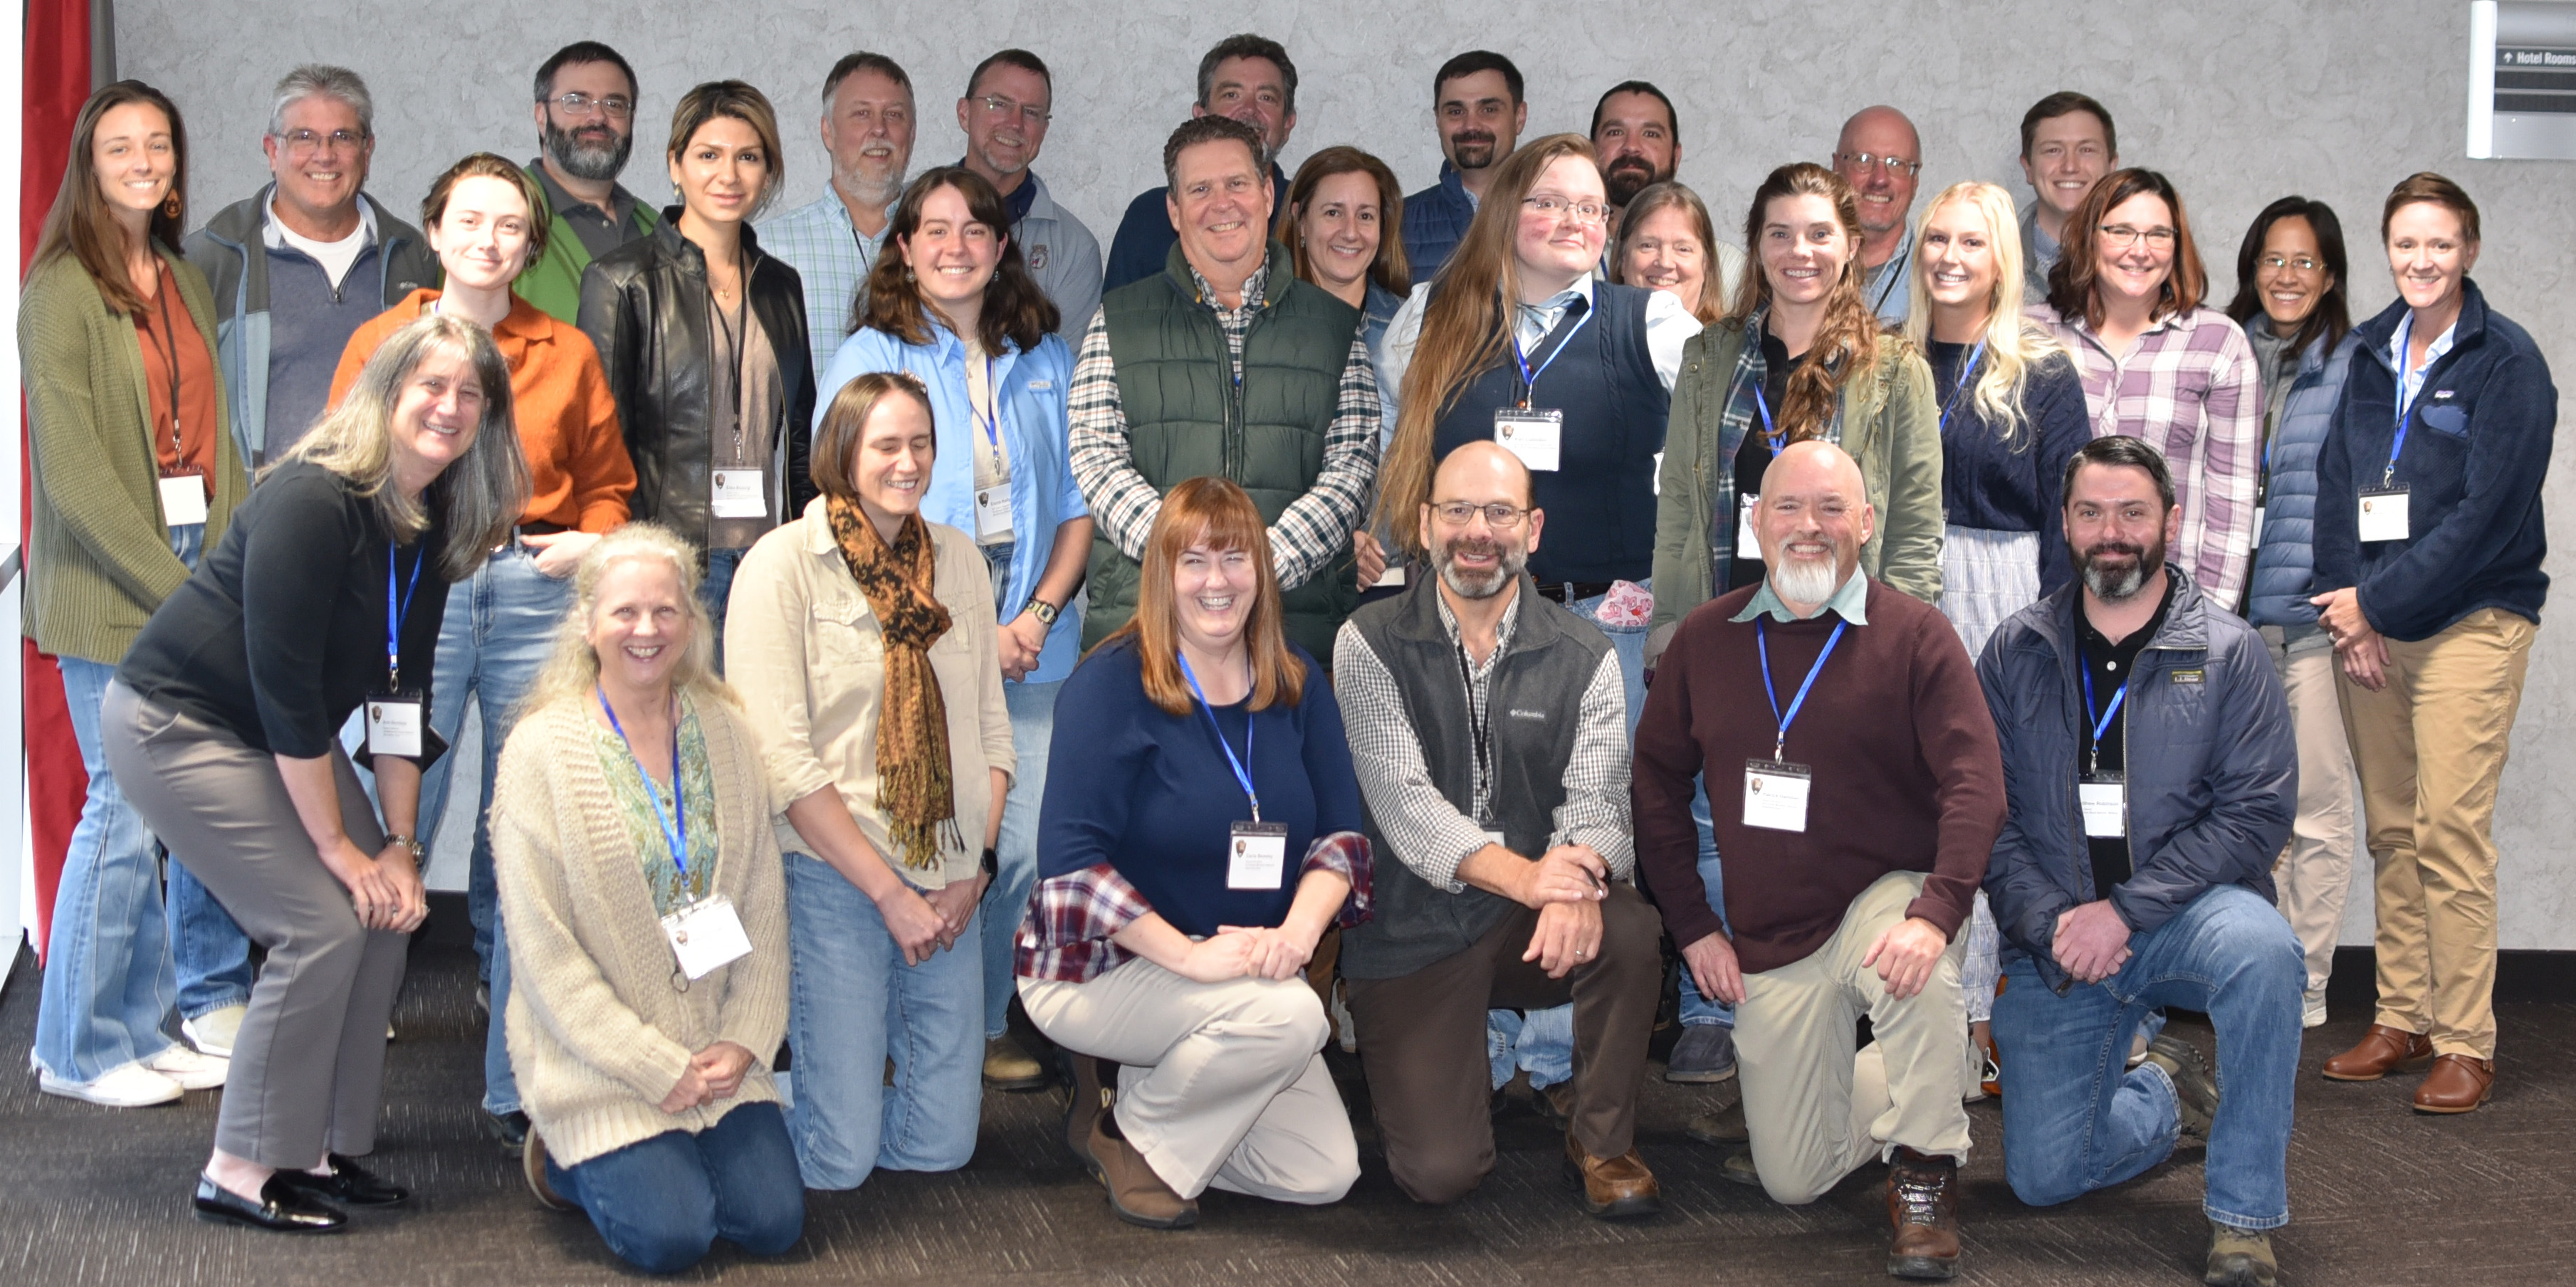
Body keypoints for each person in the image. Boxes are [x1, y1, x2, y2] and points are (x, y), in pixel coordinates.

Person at [104, 312, 529, 1232]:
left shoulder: (430, 516)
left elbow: (401, 692)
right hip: (182, 723)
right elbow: (289, 691)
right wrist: (340, 849)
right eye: (432, 385)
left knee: (387, 911)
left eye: (471, 394)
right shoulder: (314, 497)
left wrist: (401, 846)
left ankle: (316, 1148)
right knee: (320, 923)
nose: (451, 407)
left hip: (272, 731)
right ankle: (238, 1166)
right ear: (387, 391)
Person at [1633, 440, 2001, 1281]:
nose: (1810, 525)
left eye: (1832, 507)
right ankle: (1939, 1064)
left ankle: (1925, 1173)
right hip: (1775, 931)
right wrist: (1693, 925)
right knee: (1794, 1176)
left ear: (1866, 523)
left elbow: (1977, 783)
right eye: (1789, 507)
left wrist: (1936, 912)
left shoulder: (1918, 635)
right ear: (1755, 520)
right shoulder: (1705, 638)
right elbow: (1654, 782)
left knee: (1910, 967)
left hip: (1886, 895)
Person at [328, 152, 635, 1150]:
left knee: (525, 827)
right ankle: (342, 1064)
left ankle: (519, 1077)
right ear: (435, 230)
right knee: (391, 811)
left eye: (509, 225)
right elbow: (341, 466)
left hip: (533, 591)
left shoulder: (566, 350)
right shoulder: (383, 341)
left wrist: (589, 541)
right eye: (469, 220)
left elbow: (610, 482)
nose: (488, 240)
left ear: (530, 243)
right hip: (418, 586)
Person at [1978, 435, 2304, 1287]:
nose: (2111, 531)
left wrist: (2124, 911)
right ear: (2065, 524)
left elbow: (2256, 813)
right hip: (2060, 936)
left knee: (2265, 953)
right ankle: (2165, 1086)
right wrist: (2053, 920)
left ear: (2171, 520)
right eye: (2091, 512)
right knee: (2043, 1177)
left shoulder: (2230, 651)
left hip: (2186, 915)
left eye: (2132, 512)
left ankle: (2243, 1216)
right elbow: (1983, 814)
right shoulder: (2013, 651)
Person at [1017, 476, 1367, 1230]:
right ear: (1162, 574)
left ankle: (1144, 1101)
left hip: (1242, 974)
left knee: (1322, 1171)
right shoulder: (1109, 684)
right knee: (1294, 1019)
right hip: (1106, 967)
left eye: (1235, 559)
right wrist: (1189, 956)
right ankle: (1129, 1136)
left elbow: (1343, 838)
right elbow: (1069, 864)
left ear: (1261, 572)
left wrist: (1296, 935)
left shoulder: (1297, 680)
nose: (1217, 581)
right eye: (1195, 561)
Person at [1336, 442, 1662, 1217]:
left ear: (1533, 529)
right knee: (1440, 1174)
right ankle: (1434, 1073)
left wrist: (1576, 877)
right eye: (1457, 510)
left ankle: (1602, 1141)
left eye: (1499, 512)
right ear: (1425, 524)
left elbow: (1603, 803)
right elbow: (1407, 808)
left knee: (1627, 927)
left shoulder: (1585, 652)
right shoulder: (1367, 640)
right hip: (1410, 928)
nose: (1477, 531)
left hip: (1529, 923)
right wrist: (1534, 878)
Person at [818, 167, 1090, 1093]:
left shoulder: (1045, 355)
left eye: (974, 229)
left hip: (1034, 632)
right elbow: (846, 502)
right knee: (921, 827)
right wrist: (959, 633)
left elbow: (1077, 503)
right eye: (933, 230)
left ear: (1001, 245)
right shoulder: (869, 355)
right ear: (904, 248)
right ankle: (906, 1020)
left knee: (1022, 842)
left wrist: (1035, 615)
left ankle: (980, 1020)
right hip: (917, 634)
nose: (955, 248)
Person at [725, 372, 1014, 1188]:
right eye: (886, 445)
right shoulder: (781, 565)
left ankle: (823, 1094)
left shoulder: (959, 559)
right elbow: (781, 761)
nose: (907, 462)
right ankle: (698, 1121)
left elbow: (993, 734)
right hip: (835, 873)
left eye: (921, 443)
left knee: (939, 1143)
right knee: (838, 1159)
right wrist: (889, 893)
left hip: (949, 871)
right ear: (843, 452)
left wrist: (977, 869)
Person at [492, 524, 802, 1275]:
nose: (646, 630)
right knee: (674, 1237)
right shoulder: (539, 751)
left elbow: (764, 905)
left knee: (772, 1223)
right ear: (588, 624)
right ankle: (556, 1156)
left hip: (719, 1054)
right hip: (597, 1062)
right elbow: (544, 956)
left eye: (665, 611)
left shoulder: (728, 732)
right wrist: (653, 1064)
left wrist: (745, 1038)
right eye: (625, 612)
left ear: (690, 624)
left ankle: (677, 1152)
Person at [24, 81, 246, 1108]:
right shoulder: (61, 289)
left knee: (163, 810)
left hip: (195, 554)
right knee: (119, 809)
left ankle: (141, 1030)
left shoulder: (182, 273)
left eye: (158, 143)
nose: (144, 160)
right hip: (111, 578)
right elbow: (74, 478)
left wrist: (228, 565)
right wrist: (178, 592)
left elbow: (220, 436)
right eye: (121, 146)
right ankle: (75, 1051)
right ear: (89, 163)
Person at [2314, 173, 2555, 1115]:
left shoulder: (2508, 363)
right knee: (2391, 830)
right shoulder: (2371, 351)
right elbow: (2336, 482)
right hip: (2373, 626)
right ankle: (2402, 1016)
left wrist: (2374, 602)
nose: (2421, 261)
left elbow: (2487, 517)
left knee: (2448, 830)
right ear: (2388, 249)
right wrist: (2348, 609)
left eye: (2440, 244)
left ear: (2469, 250)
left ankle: (2464, 1040)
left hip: (2471, 620)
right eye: (2405, 244)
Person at [1378, 135, 1702, 728]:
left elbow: (1720, 451)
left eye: (1590, 207)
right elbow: (1392, 442)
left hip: (1609, 628)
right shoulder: (1432, 314)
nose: (1574, 221)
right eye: (1549, 203)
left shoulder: (1652, 323)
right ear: (1505, 210)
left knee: (1604, 789)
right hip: (1465, 618)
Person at [1901, 179, 2090, 1085]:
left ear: (2003, 261)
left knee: (1996, 802)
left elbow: (2068, 515)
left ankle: (1990, 1014)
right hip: (1905, 596)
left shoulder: (2044, 370)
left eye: (1972, 242)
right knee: (1917, 803)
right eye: (1938, 238)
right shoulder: (1889, 359)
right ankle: (1928, 1012)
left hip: (2007, 596)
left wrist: (2055, 639)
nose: (1950, 257)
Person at [1070, 115, 1379, 662]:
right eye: (1200, 190)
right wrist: (1189, 565)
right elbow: (1096, 460)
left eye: (1237, 183)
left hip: (1293, 634)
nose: (1222, 204)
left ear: (1267, 194)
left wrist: (1258, 565)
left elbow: (1351, 470)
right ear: (1174, 210)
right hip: (1145, 632)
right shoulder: (1118, 319)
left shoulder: (1332, 328)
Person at [1650, 161, 1942, 644]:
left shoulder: (1895, 372)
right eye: (1780, 234)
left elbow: (1914, 530)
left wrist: (1899, 647)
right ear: (1758, 247)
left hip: (1846, 639)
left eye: (1819, 234)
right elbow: (1679, 504)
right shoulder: (1708, 358)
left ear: (1851, 246)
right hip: (1725, 630)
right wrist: (1667, 626)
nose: (1799, 251)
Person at [580, 80, 816, 639]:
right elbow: (603, 448)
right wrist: (632, 565)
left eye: (748, 158)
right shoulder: (622, 281)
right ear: (675, 164)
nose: (728, 175)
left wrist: (808, 546)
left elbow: (801, 439)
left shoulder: (781, 286)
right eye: (709, 155)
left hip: (769, 560)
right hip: (672, 566)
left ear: (768, 172)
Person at [2226, 196, 2362, 1030]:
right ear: (2252, 269)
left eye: (2305, 261)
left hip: (2313, 619)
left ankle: (2305, 984)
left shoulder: (2356, 365)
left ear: (2331, 275)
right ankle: (2254, 972)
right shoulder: (2222, 351)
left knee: (2315, 808)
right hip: (2230, 625)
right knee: (2245, 813)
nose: (2287, 275)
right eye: (2273, 259)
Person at [187, 65, 436, 467]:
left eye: (343, 137)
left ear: (367, 152)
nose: (325, 155)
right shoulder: (213, 259)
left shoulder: (415, 259)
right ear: (272, 151)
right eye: (304, 137)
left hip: (383, 500)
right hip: (260, 503)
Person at [2036, 168, 2261, 606]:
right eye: (2121, 231)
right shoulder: (2032, 335)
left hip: (2172, 606)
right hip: (2054, 603)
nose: (2140, 250)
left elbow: (2231, 508)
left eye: (2158, 234)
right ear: (2089, 236)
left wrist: (2209, 621)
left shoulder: (2219, 343)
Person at [1102, 34, 1299, 292]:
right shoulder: (1148, 218)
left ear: (1288, 124)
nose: (1250, 110)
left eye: (1266, 98)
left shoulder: (1311, 215)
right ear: (1201, 115)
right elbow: (1118, 313)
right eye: (1232, 95)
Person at [763, 53, 917, 380]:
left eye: (894, 115)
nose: (879, 129)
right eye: (862, 114)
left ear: (912, 133)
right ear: (828, 132)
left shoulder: (949, 250)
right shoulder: (766, 250)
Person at [955, 48, 1103, 345]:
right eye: (999, 104)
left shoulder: (1074, 249)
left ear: (1044, 130)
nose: (1015, 123)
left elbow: (1067, 368)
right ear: (964, 113)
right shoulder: (908, 212)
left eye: (1031, 112)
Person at [516, 42, 657, 324]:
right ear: (541, 117)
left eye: (614, 104)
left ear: (631, 120)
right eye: (577, 101)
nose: (597, 117)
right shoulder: (497, 220)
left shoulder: (657, 229)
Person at [1401, 51, 1527, 279]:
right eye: (1456, 112)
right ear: (1438, 120)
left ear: (1519, 117)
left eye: (1489, 110)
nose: (1471, 126)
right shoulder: (1396, 226)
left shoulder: (1559, 218)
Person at [2014, 92, 2117, 298]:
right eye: (2053, 150)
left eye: (2086, 150)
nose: (2070, 166)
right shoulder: (1990, 265)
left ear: (2111, 166)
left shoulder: (2145, 266)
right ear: (2028, 168)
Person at [1832, 106, 1925, 325]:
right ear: (1837, 167)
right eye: (1863, 160)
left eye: (1897, 164)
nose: (1880, 180)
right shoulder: (1797, 266)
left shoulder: (1938, 279)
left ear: (1915, 180)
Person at [1611, 181, 1748, 325]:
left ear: (1705, 265)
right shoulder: (1595, 337)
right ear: (1622, 259)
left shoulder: (1736, 339)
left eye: (1683, 249)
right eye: (1648, 246)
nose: (1665, 262)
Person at [1590, 81, 1680, 246]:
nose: (1632, 146)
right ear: (1590, 151)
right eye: (1615, 133)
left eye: (1651, 134)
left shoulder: (1720, 260)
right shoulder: (1561, 254)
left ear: (1676, 156)